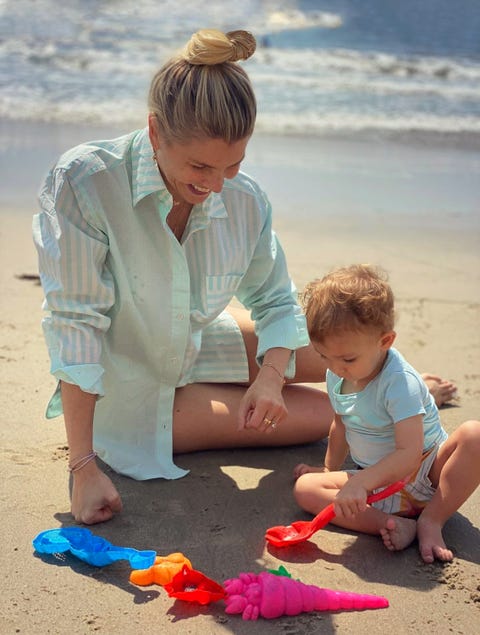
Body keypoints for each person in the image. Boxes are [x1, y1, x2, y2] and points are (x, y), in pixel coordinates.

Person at [33, 28, 456, 528]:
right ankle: (377, 394)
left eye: (232, 165)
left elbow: (277, 303)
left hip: (194, 339)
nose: (214, 186)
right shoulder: (85, 181)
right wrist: (82, 467)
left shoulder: (245, 198)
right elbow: (75, 324)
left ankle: (397, 385)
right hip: (128, 383)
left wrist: (273, 377)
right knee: (328, 418)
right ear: (154, 133)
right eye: (199, 167)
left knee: (340, 353)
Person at [293, 264, 480, 563]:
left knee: (475, 435)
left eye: (347, 358)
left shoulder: (399, 381)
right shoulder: (337, 374)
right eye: (323, 356)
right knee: (306, 490)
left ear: (385, 341)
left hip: (428, 472)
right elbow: (339, 425)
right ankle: (394, 525)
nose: (335, 367)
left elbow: (409, 453)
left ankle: (432, 520)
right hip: (377, 483)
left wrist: (360, 483)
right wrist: (330, 470)